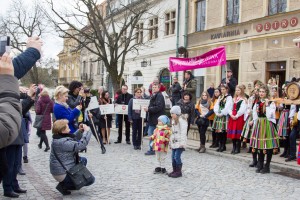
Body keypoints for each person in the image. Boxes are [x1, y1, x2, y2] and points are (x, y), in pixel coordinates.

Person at [50, 120, 95, 195]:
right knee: (91, 180)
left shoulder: (58, 138)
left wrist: (79, 131)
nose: (70, 129)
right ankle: (65, 185)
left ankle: (68, 182)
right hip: (62, 173)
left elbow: (71, 138)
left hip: (60, 170)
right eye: (68, 128)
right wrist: (87, 132)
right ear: (63, 130)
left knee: (83, 160)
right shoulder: (63, 143)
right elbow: (81, 145)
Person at [0, 53, 22, 185]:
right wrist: (7, 78)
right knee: (10, 162)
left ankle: (13, 184)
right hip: (10, 134)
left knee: (14, 162)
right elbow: (5, 127)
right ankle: (9, 186)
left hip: (16, 133)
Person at [249, 85, 279, 174]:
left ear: (266, 93)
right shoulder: (257, 102)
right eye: (260, 92)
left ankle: (267, 166)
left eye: (263, 92)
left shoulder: (270, 103)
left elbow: (271, 115)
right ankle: (260, 163)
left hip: (267, 124)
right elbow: (255, 114)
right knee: (259, 145)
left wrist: (267, 105)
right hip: (259, 124)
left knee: (268, 145)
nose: (261, 93)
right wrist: (254, 123)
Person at [144, 84, 165, 155]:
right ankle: (153, 148)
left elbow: (159, 107)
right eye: (153, 87)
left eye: (155, 87)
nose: (154, 88)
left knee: (153, 134)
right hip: (152, 119)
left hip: (156, 119)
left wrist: (149, 109)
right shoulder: (153, 95)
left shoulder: (159, 96)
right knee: (152, 134)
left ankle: (153, 149)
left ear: (159, 88)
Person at [212, 84, 233, 152]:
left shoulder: (229, 97)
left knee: (223, 132)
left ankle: (223, 145)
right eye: (221, 89)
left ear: (227, 90)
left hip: (224, 115)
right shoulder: (220, 97)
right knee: (218, 132)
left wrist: (222, 113)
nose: (222, 91)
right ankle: (220, 144)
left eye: (224, 89)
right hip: (218, 115)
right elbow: (216, 105)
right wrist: (217, 112)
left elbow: (228, 106)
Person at [227, 85, 247, 154]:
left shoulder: (243, 100)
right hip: (232, 116)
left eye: (239, 90)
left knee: (237, 134)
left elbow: (243, 109)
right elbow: (229, 107)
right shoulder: (233, 99)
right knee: (233, 133)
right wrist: (231, 114)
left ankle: (238, 148)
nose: (237, 91)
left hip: (239, 117)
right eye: (236, 90)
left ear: (241, 91)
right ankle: (234, 147)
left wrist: (237, 115)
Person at [169, 106, 188, 178]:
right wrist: (171, 143)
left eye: (172, 113)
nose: (171, 115)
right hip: (174, 142)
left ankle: (178, 171)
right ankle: (174, 170)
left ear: (177, 113)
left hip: (180, 142)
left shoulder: (182, 120)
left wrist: (182, 143)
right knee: (173, 157)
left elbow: (183, 132)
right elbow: (172, 132)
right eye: (171, 113)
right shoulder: (173, 120)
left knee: (177, 156)